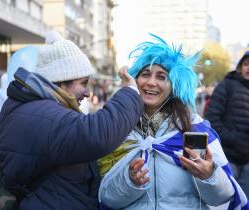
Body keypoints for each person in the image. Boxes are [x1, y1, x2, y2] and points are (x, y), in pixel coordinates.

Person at [0, 31, 143, 210]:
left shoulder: (36, 107)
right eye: (83, 83)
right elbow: (96, 135)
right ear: (61, 81)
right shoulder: (42, 113)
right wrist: (131, 92)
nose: (87, 93)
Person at [99, 34, 248, 210]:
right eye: (145, 74)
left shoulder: (195, 129)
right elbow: (106, 199)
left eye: (162, 77)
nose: (151, 82)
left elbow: (222, 198)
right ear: (135, 81)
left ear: (174, 86)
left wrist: (209, 175)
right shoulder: (117, 130)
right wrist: (129, 181)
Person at [205, 50, 249, 198]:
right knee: (227, 199)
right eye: (246, 64)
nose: (248, 68)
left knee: (245, 201)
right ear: (240, 67)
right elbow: (211, 118)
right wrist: (233, 139)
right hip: (228, 156)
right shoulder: (227, 85)